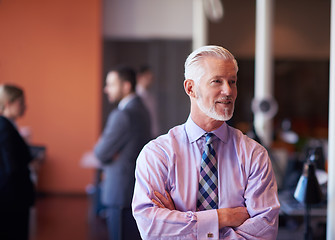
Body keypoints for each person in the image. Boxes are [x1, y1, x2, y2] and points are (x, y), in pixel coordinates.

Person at [132, 46, 280, 239]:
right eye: (217, 81)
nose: (228, 91)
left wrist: (180, 220)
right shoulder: (157, 154)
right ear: (191, 88)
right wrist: (222, 217)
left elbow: (264, 232)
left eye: (232, 81)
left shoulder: (254, 155)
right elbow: (151, 229)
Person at [94, 65, 152, 240]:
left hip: (120, 191)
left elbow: (100, 153)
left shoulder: (122, 115)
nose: (106, 89)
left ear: (126, 86)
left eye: (111, 84)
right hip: (133, 187)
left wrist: (111, 152)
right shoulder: (142, 108)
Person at [0, 84, 35, 240]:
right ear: (8, 103)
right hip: (12, 199)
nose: (24, 106)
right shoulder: (4, 127)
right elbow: (11, 166)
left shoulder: (8, 126)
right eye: (21, 102)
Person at [136, 65, 160, 138]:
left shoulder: (151, 96)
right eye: (147, 77)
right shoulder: (136, 96)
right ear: (139, 77)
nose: (150, 81)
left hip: (151, 134)